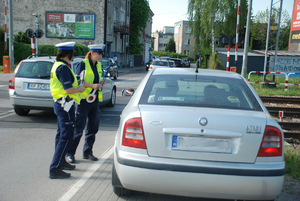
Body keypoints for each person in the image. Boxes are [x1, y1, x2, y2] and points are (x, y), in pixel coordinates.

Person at [49, 42, 85, 179]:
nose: (73, 56)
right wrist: (80, 89)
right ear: (69, 54)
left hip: (62, 104)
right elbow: (68, 89)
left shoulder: (58, 65)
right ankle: (55, 169)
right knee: (66, 135)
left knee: (61, 134)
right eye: (72, 53)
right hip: (64, 105)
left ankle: (61, 162)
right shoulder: (63, 68)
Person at [66, 44, 106, 163]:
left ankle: (87, 152)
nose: (100, 56)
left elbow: (96, 79)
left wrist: (100, 84)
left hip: (94, 100)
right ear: (92, 53)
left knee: (93, 128)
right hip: (83, 100)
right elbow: (78, 81)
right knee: (78, 129)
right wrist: (92, 85)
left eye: (101, 54)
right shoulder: (83, 64)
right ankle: (70, 153)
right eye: (98, 54)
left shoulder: (99, 65)